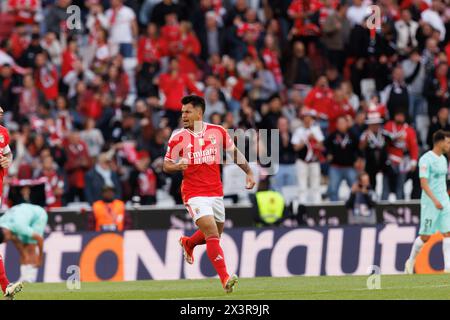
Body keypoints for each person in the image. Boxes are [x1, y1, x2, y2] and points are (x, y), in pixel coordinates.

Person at [163, 95, 255, 293]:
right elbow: (166, 165)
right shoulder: (177, 136)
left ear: (199, 112)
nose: (183, 116)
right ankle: (225, 279)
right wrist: (177, 165)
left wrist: (248, 171)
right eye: (182, 113)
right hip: (193, 193)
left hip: (215, 192)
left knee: (214, 235)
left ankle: (188, 242)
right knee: (212, 233)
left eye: (187, 112)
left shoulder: (218, 131)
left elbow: (234, 153)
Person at [405, 130, 450, 274]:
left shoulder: (443, 159)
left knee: (448, 232)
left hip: (444, 201)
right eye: (448, 142)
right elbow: (423, 183)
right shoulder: (425, 159)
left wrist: (443, 198)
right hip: (430, 202)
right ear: (440, 142)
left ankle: (448, 269)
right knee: (426, 236)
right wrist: (435, 200)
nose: (449, 145)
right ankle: (410, 261)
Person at [0, 202, 48, 283]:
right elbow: (14, 240)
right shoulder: (4, 226)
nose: (6, 242)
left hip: (38, 215)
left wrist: (40, 259)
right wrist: (23, 254)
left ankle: (30, 278)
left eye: (5, 240)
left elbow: (39, 239)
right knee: (24, 249)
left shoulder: (19, 226)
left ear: (5, 234)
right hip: (23, 212)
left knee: (30, 246)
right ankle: (24, 277)